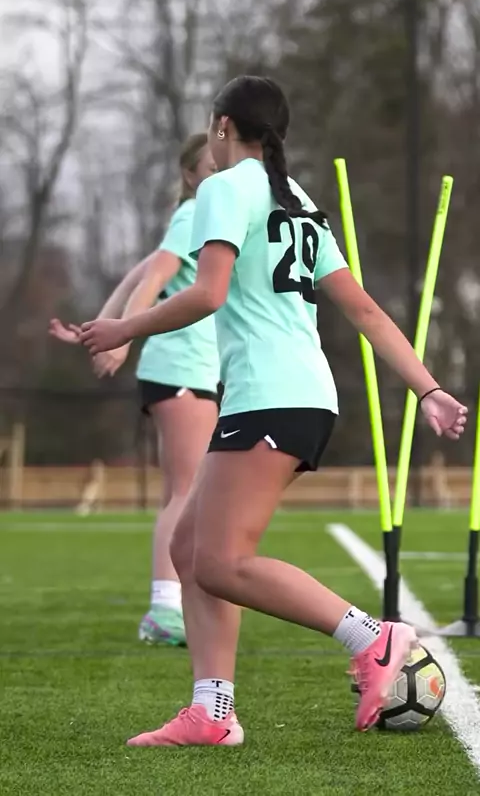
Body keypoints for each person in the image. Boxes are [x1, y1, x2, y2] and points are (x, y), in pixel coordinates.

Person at [79, 76, 467, 743]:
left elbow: (207, 294)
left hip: (270, 395)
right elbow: (365, 310)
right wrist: (427, 387)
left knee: (221, 561)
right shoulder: (299, 200)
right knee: (188, 548)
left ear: (223, 127)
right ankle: (213, 712)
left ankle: (373, 638)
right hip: (299, 396)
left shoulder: (223, 189)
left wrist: (125, 328)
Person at [50, 133, 219, 648]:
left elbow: (139, 273)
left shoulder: (202, 219)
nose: (222, 176)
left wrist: (101, 325)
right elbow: (153, 279)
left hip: (185, 369)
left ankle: (172, 604)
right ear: (190, 176)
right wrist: (121, 337)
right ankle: (166, 609)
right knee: (187, 492)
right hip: (183, 366)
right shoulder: (194, 214)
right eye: (211, 169)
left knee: (180, 492)